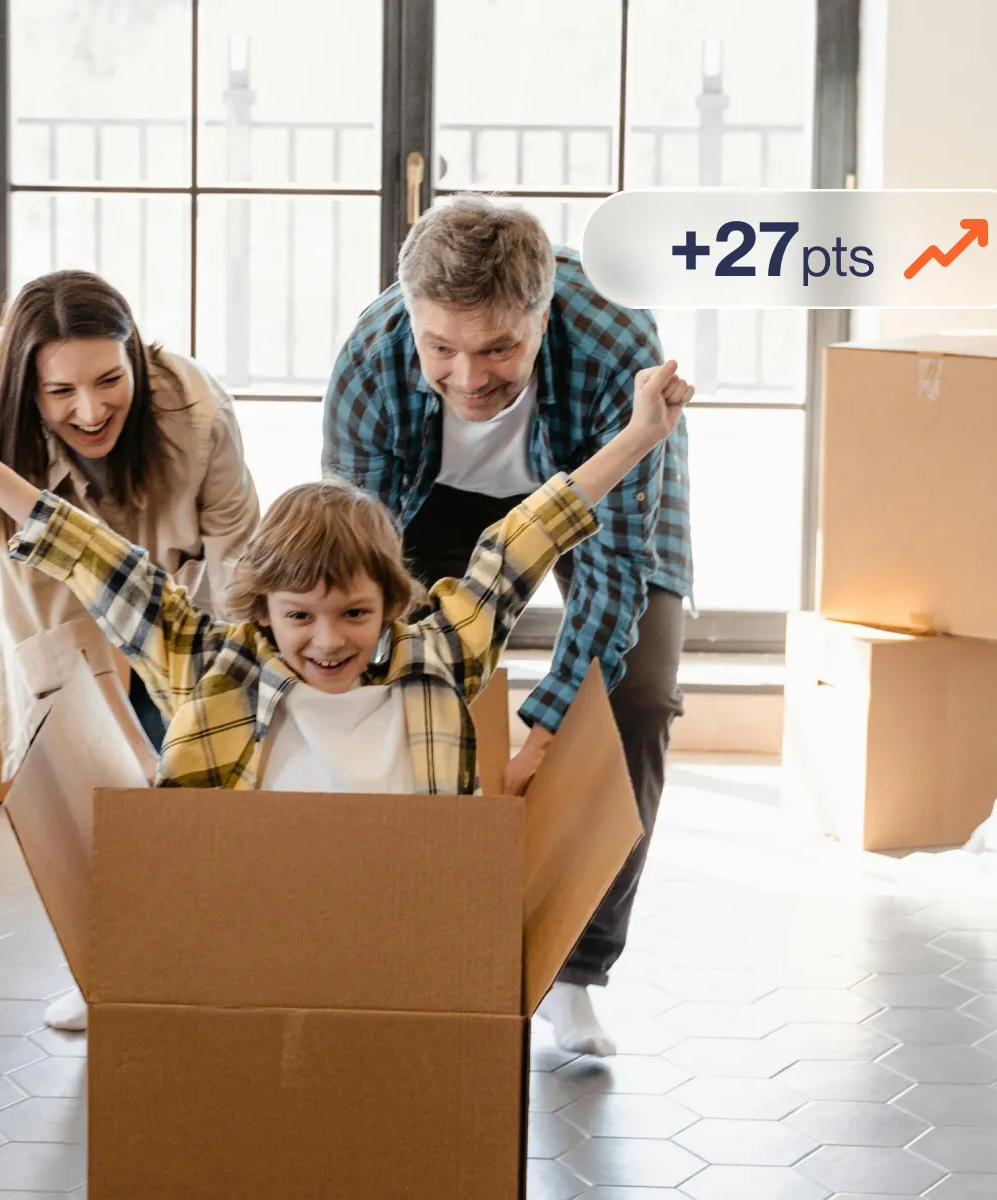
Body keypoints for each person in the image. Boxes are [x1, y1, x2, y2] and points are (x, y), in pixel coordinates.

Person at [0, 360, 687, 798]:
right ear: (262, 613)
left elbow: (525, 540)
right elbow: (96, 556)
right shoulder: (215, 667)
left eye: (355, 614)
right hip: (253, 915)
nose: (328, 641)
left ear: (393, 604)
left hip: (403, 917)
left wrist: (641, 435)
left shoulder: (440, 654)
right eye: (300, 617)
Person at [322, 194, 694, 1058]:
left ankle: (576, 968)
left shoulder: (615, 341)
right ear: (411, 318)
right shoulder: (371, 361)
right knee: (397, 683)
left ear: (542, 315)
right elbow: (359, 570)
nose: (466, 376)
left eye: (498, 348)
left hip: (596, 491)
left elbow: (613, 568)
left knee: (633, 700)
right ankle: (414, 936)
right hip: (432, 502)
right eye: (440, 347)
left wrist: (550, 722)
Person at [0, 269, 261, 1031]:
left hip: (184, 610)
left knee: (202, 784)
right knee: (89, 785)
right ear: (27, 391)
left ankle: (212, 965)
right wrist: (119, 739)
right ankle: (106, 970)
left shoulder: (198, 415)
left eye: (109, 380)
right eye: (60, 392)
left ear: (136, 356)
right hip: (65, 618)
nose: (90, 411)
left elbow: (238, 565)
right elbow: (54, 624)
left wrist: (215, 694)